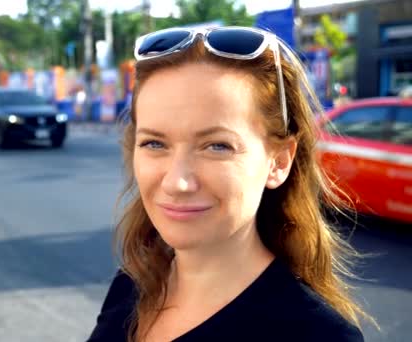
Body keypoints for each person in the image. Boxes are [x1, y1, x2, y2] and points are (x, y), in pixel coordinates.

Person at [88, 26, 372, 342]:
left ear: (278, 162)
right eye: (155, 143)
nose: (177, 182)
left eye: (217, 146)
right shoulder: (132, 285)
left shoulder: (318, 336)